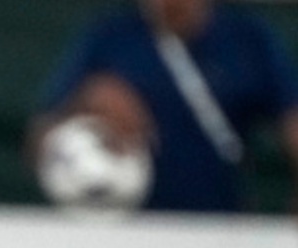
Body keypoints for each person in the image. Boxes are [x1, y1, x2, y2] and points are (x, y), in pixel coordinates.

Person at [30, 0, 298, 213]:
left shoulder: (248, 39)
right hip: (124, 226)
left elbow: (291, 119)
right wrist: (87, 99)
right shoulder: (109, 37)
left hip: (220, 228)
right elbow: (38, 139)